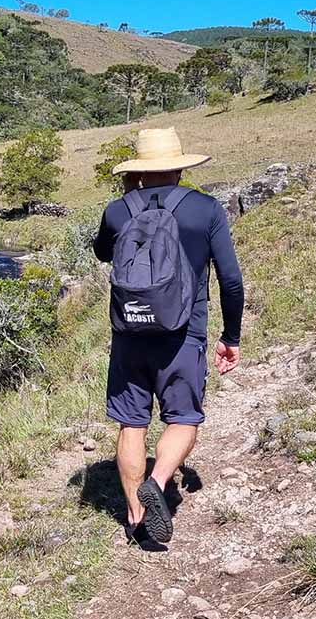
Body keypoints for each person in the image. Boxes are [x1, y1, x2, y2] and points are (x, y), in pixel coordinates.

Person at [93, 128, 244, 544]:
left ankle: (135, 518)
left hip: (129, 333)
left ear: (138, 170)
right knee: (182, 418)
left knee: (131, 422)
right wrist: (231, 335)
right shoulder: (205, 209)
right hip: (184, 334)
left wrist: (126, 196)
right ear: (180, 165)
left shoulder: (117, 210)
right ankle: (157, 482)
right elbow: (230, 280)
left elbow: (103, 252)